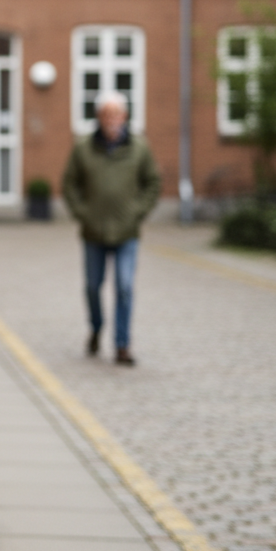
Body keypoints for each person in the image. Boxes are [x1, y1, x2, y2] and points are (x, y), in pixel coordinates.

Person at [61, 91, 162, 365]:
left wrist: (138, 212)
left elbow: (153, 183)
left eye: (116, 114)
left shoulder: (139, 148)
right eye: (106, 114)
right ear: (99, 117)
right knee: (93, 287)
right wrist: (82, 213)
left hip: (127, 231)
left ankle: (122, 344)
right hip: (94, 231)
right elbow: (69, 184)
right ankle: (96, 327)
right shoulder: (83, 148)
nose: (111, 119)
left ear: (124, 116)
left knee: (125, 286)